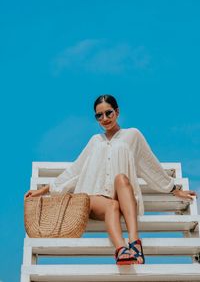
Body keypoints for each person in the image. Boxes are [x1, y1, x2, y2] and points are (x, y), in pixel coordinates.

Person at [24, 94, 197, 265]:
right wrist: (44, 190)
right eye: (99, 115)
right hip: (93, 201)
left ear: (117, 112)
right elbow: (75, 170)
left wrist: (174, 189)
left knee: (121, 179)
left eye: (109, 113)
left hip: (123, 202)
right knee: (111, 205)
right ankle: (122, 250)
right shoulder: (94, 141)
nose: (104, 118)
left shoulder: (132, 135)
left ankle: (135, 244)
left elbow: (149, 165)